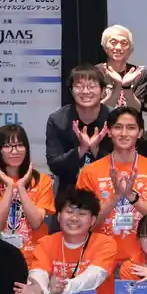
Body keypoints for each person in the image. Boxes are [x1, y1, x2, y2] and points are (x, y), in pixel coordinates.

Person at [76, 106, 147, 270]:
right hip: (100, 260)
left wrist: (132, 197)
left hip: (144, 260)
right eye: (118, 127)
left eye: (131, 128)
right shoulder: (89, 172)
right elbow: (85, 224)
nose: (124, 133)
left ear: (140, 133)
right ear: (109, 132)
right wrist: (115, 197)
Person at [0, 124, 55, 262]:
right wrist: (10, 186)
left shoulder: (42, 180)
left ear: (26, 149)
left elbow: (36, 222)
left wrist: (21, 187)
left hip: (35, 257)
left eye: (19, 145)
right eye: (8, 146)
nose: (14, 151)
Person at [45, 64, 113, 198]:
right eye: (79, 86)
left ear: (103, 90)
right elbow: (54, 165)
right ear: (71, 90)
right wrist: (81, 149)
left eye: (92, 86)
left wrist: (95, 150)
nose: (85, 91)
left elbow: (122, 163)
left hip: (108, 191)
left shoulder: (114, 119)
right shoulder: (58, 119)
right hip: (69, 193)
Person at [98, 24, 147, 112]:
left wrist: (127, 87)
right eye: (113, 42)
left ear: (130, 49)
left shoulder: (139, 73)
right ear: (104, 47)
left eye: (124, 43)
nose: (118, 48)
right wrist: (118, 85)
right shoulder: (95, 73)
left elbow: (137, 109)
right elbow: (96, 110)